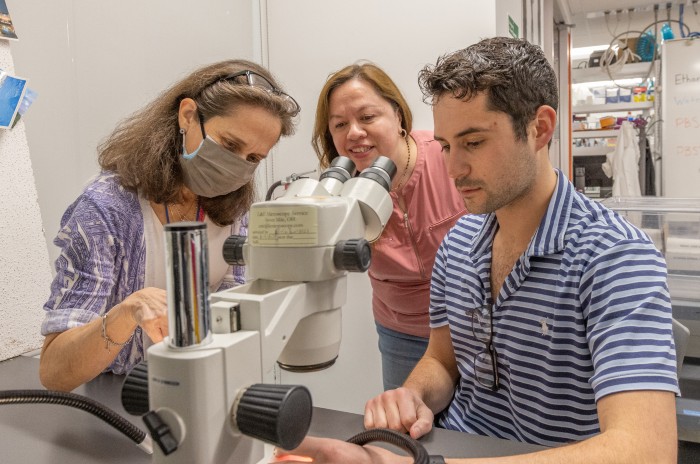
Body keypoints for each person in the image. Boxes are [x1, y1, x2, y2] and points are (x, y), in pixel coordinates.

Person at [274, 37, 679, 463]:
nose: (452, 169)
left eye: (474, 143)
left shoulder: (614, 257)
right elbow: (442, 361)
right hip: (454, 445)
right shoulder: (460, 243)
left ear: (539, 128)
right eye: (447, 146)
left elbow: (647, 451)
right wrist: (412, 395)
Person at [39, 59, 300, 392]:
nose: (236, 166)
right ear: (188, 115)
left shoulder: (234, 211)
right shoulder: (106, 209)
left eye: (253, 159)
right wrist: (125, 315)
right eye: (230, 145)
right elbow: (54, 372)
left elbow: (232, 316)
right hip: (120, 399)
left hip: (200, 389)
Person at [312, 62, 466, 390]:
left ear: (398, 115)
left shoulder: (446, 158)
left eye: (367, 117)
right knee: (407, 430)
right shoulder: (338, 191)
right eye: (340, 124)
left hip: (470, 327)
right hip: (402, 333)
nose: (354, 132)